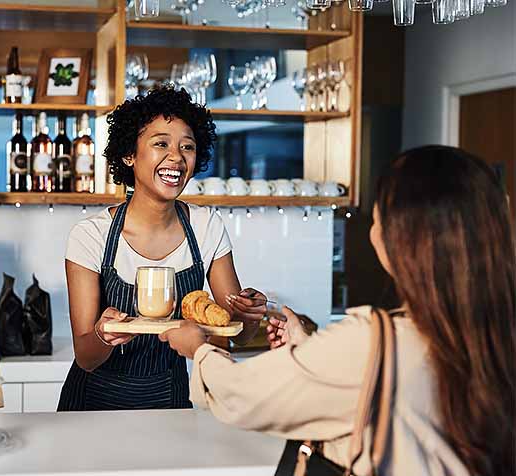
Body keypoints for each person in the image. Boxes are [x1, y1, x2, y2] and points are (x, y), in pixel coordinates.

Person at [161, 146, 515, 475]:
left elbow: (241, 394)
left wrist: (198, 349)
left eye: (378, 221)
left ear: (402, 241)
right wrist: (310, 350)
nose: (373, 232)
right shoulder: (497, 334)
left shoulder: (370, 340)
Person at [58, 86, 267, 411]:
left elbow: (232, 335)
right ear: (129, 154)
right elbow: (86, 357)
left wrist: (249, 315)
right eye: (161, 144)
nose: (176, 157)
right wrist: (104, 335)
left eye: (188, 147)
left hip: (169, 400)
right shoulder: (91, 236)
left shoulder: (205, 227)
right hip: (92, 406)